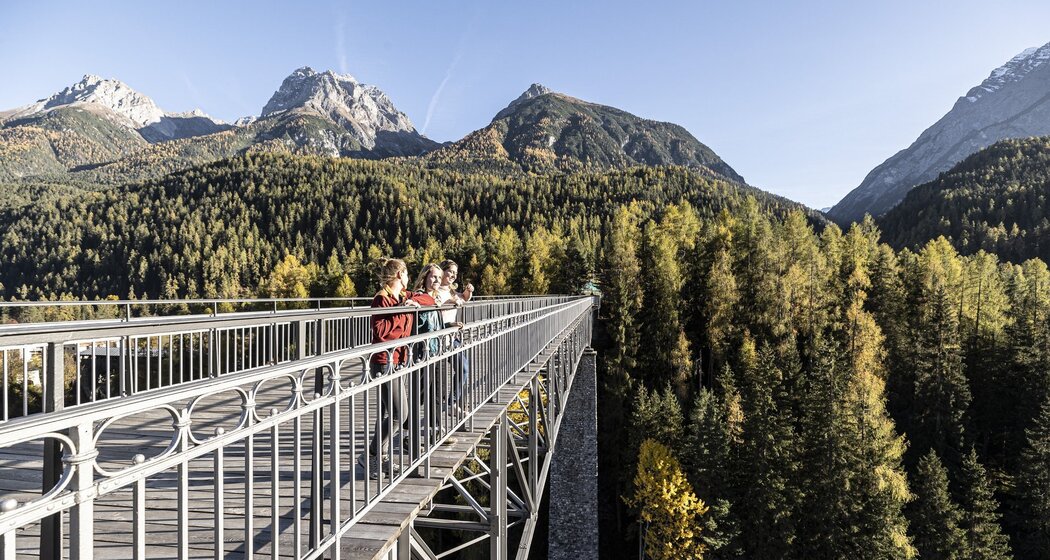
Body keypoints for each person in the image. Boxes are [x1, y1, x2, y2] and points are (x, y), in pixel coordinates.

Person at [360, 258, 419, 479]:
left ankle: (381, 458)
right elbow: (380, 332)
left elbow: (422, 297)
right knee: (399, 414)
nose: (408, 278)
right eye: (406, 274)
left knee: (389, 412)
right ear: (399, 275)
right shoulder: (382, 299)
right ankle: (371, 455)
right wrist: (400, 310)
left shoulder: (402, 296)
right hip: (384, 360)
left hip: (399, 358)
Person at [411, 263, 457, 445]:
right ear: (424, 278)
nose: (437, 280)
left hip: (437, 349)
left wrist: (449, 326)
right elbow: (420, 323)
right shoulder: (421, 298)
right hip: (424, 351)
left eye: (439, 277)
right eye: (433, 277)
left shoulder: (434, 298)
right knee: (421, 393)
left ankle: (435, 430)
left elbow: (434, 325)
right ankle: (410, 434)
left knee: (438, 391)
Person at [435, 260, 474, 414]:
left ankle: (451, 403)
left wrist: (468, 292)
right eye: (450, 271)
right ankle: (436, 415)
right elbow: (435, 306)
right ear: (442, 271)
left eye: (455, 273)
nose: (453, 275)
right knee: (437, 381)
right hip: (438, 338)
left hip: (451, 338)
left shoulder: (451, 291)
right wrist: (451, 302)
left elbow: (463, 297)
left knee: (464, 369)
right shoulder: (435, 290)